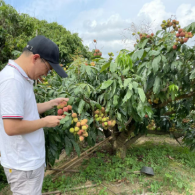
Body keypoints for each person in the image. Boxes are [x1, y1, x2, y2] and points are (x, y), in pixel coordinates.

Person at [0, 35, 68, 195]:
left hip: (28, 162)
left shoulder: (21, 78)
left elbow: (24, 110)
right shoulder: (12, 80)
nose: (46, 75)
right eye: (48, 69)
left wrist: (52, 103)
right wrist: (45, 122)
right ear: (36, 58)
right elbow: (11, 127)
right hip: (24, 165)